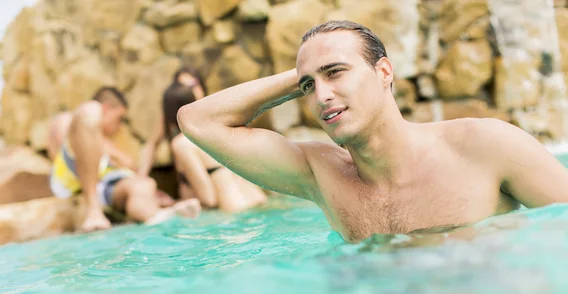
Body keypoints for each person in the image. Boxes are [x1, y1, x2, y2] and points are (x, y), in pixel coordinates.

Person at [176, 20, 568, 242]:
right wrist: (303, 73)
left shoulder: (487, 145)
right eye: (309, 87)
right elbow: (197, 121)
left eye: (336, 72)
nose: (322, 96)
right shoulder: (322, 175)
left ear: (384, 72)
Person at [48, 86, 201, 232]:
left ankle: (161, 215)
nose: (120, 126)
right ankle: (93, 210)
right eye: (119, 118)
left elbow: (130, 168)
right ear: (106, 109)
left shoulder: (105, 144)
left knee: (144, 184)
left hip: (108, 187)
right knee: (89, 111)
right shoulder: (71, 121)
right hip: (82, 186)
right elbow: (70, 138)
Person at [139, 68, 267, 213]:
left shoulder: (182, 142)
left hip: (233, 207)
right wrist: (141, 179)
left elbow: (208, 198)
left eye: (192, 85)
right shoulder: (209, 129)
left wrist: (174, 205)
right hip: (254, 196)